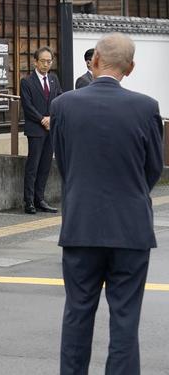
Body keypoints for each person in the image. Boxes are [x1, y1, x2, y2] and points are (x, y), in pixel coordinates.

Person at [51, 33, 164, 375]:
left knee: (77, 312)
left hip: (81, 224)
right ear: (130, 68)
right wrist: (131, 193)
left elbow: (65, 164)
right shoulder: (146, 107)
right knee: (125, 318)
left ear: (95, 60)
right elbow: (153, 168)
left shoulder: (63, 105)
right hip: (131, 227)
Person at [19, 46, 62, 214]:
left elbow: (59, 99)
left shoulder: (54, 79)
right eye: (43, 61)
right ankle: (29, 201)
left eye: (49, 61)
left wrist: (51, 117)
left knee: (45, 165)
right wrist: (42, 119)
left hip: (50, 128)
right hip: (35, 128)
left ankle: (40, 199)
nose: (46, 64)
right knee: (33, 165)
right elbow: (27, 106)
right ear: (35, 62)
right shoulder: (27, 82)